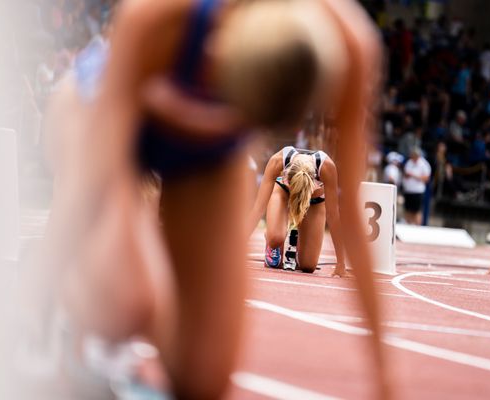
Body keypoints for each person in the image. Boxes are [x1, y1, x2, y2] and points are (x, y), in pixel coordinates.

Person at [32, 0, 390, 398]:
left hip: (208, 149)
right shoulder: (158, 16)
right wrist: (38, 305)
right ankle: (69, 323)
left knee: (204, 379)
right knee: (131, 296)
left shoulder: (351, 45)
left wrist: (384, 378)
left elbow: (354, 222)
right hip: (100, 111)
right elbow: (86, 183)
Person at [248, 146, 345, 275]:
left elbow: (333, 217)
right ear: (286, 176)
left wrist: (341, 263)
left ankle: (301, 244)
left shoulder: (327, 168)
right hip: (282, 192)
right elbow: (258, 209)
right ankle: (273, 236)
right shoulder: (277, 161)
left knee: (308, 266)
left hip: (314, 201)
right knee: (275, 238)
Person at [402, 147, 431, 225]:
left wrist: (413, 175)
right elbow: (405, 174)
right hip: (408, 190)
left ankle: (417, 227)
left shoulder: (424, 164)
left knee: (416, 211)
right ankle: (408, 226)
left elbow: (426, 178)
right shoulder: (409, 162)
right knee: (407, 210)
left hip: (417, 191)